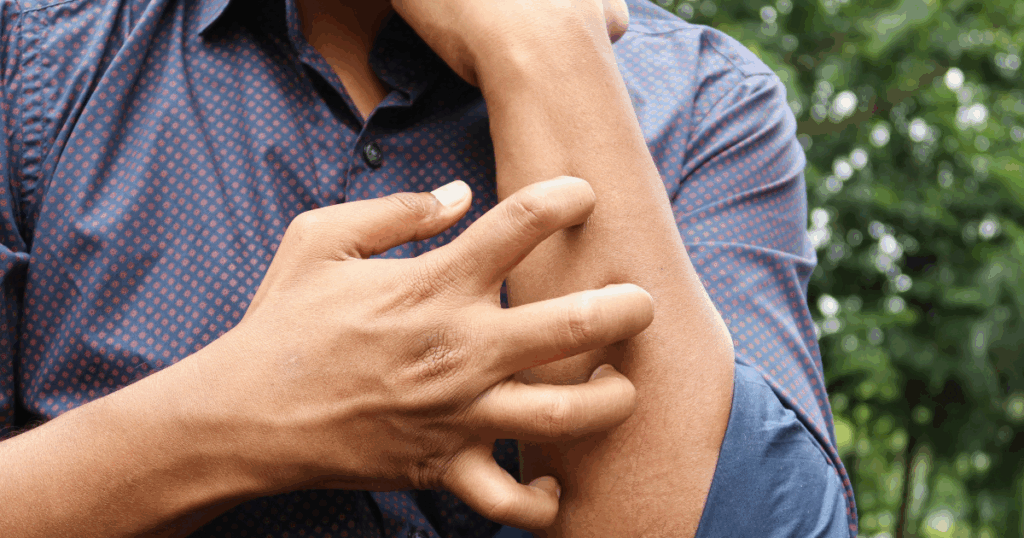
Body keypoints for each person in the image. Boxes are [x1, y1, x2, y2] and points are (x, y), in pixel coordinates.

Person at [0, 0, 855, 536]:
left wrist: (541, 44)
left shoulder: (710, 101)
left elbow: (746, 518)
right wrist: (239, 417)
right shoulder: (34, 52)